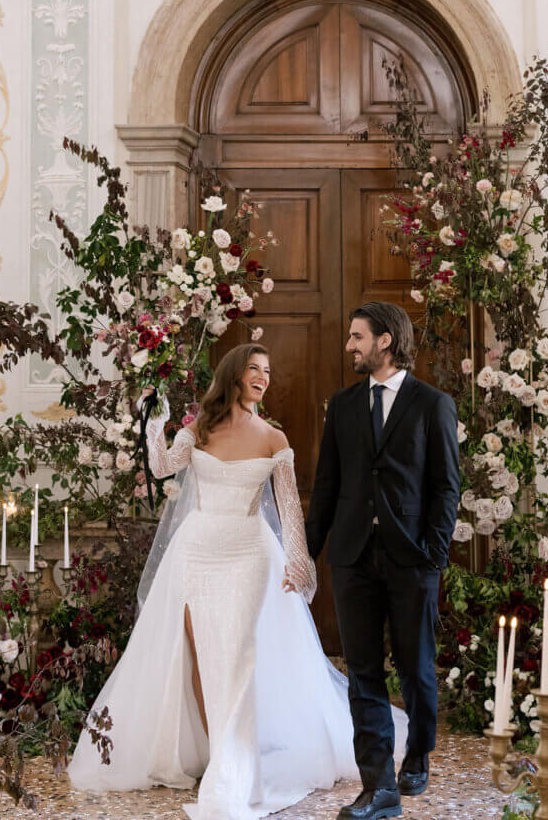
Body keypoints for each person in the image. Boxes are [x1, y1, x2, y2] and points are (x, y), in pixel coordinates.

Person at [68, 343, 407, 820]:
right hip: (196, 553)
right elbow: (163, 466)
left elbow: (290, 510)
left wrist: (300, 564)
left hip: (249, 555)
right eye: (254, 368)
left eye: (268, 371)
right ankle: (217, 752)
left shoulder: (274, 438)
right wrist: (153, 424)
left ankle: (236, 760)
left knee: (240, 655)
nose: (263, 377)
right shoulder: (198, 431)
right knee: (201, 657)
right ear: (233, 375)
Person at [306, 303, 460, 820]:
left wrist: (433, 556)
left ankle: (418, 753)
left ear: (385, 341)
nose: (349, 346)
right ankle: (379, 788)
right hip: (352, 558)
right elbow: (327, 483)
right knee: (363, 674)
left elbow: (446, 486)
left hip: (412, 558)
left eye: (357, 337)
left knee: (416, 667)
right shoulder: (344, 406)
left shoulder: (432, 404)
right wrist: (309, 551)